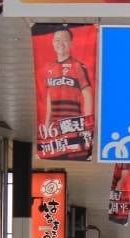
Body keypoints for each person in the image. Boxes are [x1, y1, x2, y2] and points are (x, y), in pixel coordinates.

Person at [39, 26, 94, 160]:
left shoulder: (78, 66)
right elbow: (49, 96)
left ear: (71, 43)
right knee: (56, 153)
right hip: (54, 125)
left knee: (74, 152)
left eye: (64, 40)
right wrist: (47, 123)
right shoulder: (48, 67)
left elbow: (87, 94)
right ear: (52, 42)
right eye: (57, 40)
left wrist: (87, 123)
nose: (60, 43)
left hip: (72, 123)